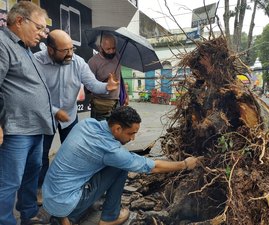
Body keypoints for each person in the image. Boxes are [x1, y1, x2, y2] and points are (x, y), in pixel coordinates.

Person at [42, 106, 200, 225]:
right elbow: (152, 166)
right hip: (68, 204)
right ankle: (109, 217)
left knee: (103, 165)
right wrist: (185, 164)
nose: (133, 139)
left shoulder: (87, 124)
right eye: (131, 133)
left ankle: (68, 214)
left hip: (50, 196)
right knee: (120, 166)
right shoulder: (111, 151)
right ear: (117, 128)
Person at [34, 29, 119, 203]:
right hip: (44, 116)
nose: (70, 54)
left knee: (74, 151)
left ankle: (71, 184)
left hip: (70, 116)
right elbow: (34, 95)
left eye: (72, 49)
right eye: (65, 50)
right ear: (50, 50)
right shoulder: (36, 62)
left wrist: (106, 87)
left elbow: (92, 83)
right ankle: (40, 188)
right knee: (40, 156)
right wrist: (55, 111)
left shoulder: (78, 62)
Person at [0, 2, 55, 225]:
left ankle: (28, 213)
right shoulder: (2, 44)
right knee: (9, 181)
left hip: (35, 127)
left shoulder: (24, 48)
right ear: (20, 21)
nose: (42, 35)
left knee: (31, 175)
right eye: (39, 28)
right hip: (17, 129)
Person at [88, 33, 129, 121]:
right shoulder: (93, 62)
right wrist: (106, 84)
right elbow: (88, 86)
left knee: (116, 131)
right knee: (100, 132)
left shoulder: (117, 56)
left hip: (117, 103)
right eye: (108, 49)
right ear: (99, 47)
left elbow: (119, 76)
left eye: (113, 48)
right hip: (101, 106)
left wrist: (125, 94)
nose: (111, 51)